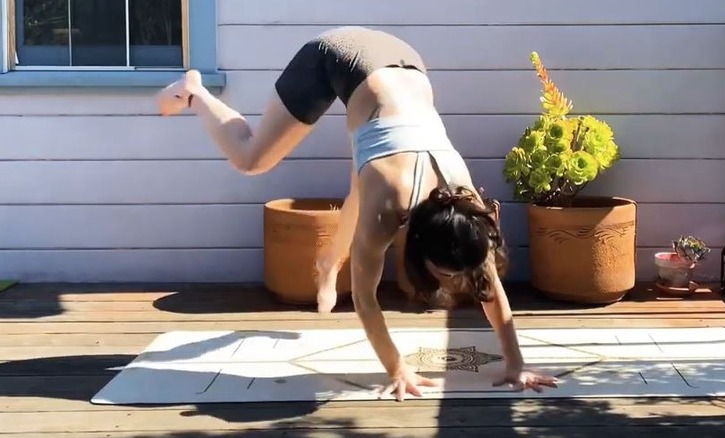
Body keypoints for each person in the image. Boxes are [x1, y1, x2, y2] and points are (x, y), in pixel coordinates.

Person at [156, 26, 557, 401]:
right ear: (412, 239)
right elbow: (366, 299)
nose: (453, 283)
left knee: (361, 184)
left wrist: (516, 363)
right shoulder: (386, 208)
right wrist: (397, 368)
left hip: (402, 65)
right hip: (341, 56)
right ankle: (194, 93)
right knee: (251, 158)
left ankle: (327, 262)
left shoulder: (466, 212)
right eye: (442, 272)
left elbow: (489, 285)